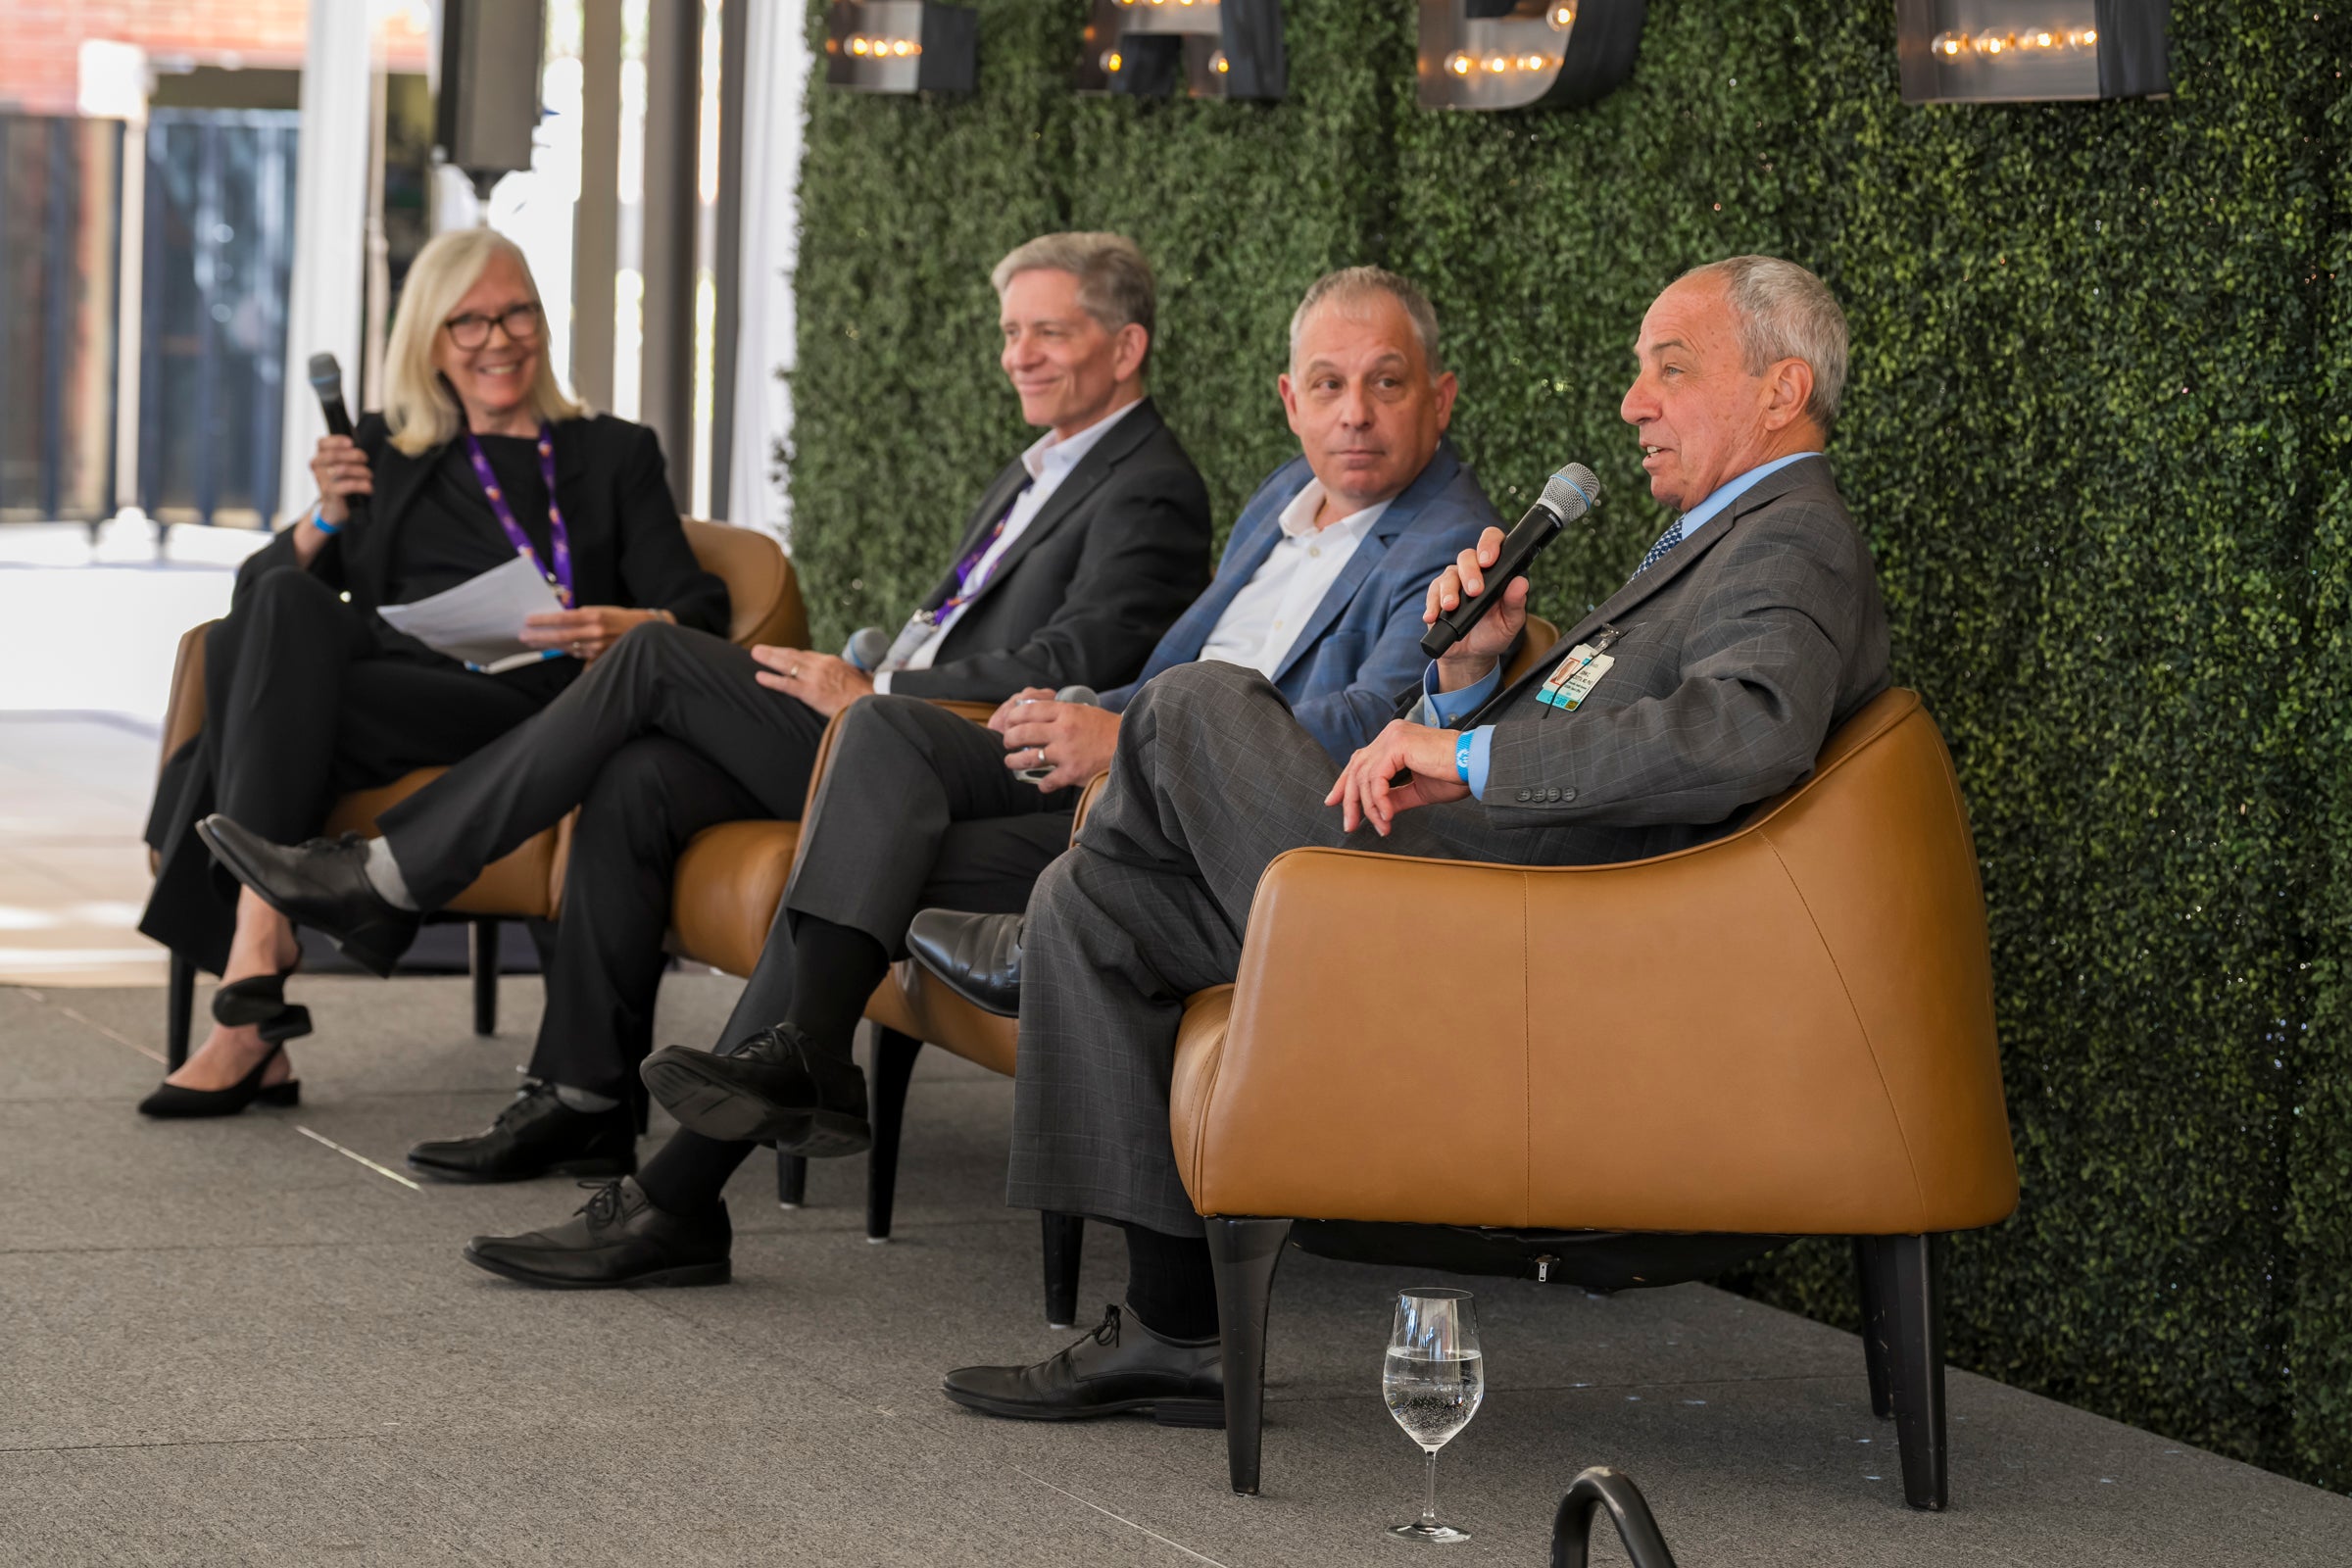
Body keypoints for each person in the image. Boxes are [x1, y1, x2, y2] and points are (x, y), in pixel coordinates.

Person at [909, 255, 1892, 1424]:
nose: (1634, 403)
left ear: (1782, 391)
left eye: (1669, 371)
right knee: (1093, 906)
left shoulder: (1791, 535)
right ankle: (1175, 1337)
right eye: (1639, 373)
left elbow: (1745, 731)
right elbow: (1597, 725)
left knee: (1192, 702)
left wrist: (1469, 757)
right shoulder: (1714, 540)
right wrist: (1468, 677)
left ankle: (1027, 953)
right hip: (1475, 891)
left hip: (1526, 943)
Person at [458, 266, 1503, 1289]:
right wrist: (1079, 709)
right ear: (1289, 399)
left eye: (1386, 382)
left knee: (867, 840)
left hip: (1200, 828)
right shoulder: (1285, 497)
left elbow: (1369, 721)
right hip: (1112, 770)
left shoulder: (1450, 537)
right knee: (883, 733)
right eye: (1327, 383)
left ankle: (687, 1189)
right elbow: (1168, 663)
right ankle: (785, 1078)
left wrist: (1124, 733)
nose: (1354, 413)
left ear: (1440, 396)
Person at [195, 232, 1214, 1181]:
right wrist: (867, 667)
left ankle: (391, 875)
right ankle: (586, 1095)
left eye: (1048, 333)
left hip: (948, 752)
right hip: (890, 727)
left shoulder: (1148, 487)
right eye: (1011, 331)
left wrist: (875, 688)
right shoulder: (1043, 469)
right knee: (638, 774)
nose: (1018, 356)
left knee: (650, 656)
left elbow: (1078, 660)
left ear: (1126, 348)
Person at [136, 227, 728, 1119]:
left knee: (254, 707)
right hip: (389, 686)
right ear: (430, 338)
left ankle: (254, 990)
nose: (500, 340)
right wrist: (325, 519)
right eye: (470, 322)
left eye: (517, 313)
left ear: (542, 321)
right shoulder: (387, 447)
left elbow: (697, 604)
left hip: (531, 703)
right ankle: (262, 946)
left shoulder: (614, 452)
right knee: (284, 603)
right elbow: (256, 603)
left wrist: (635, 624)